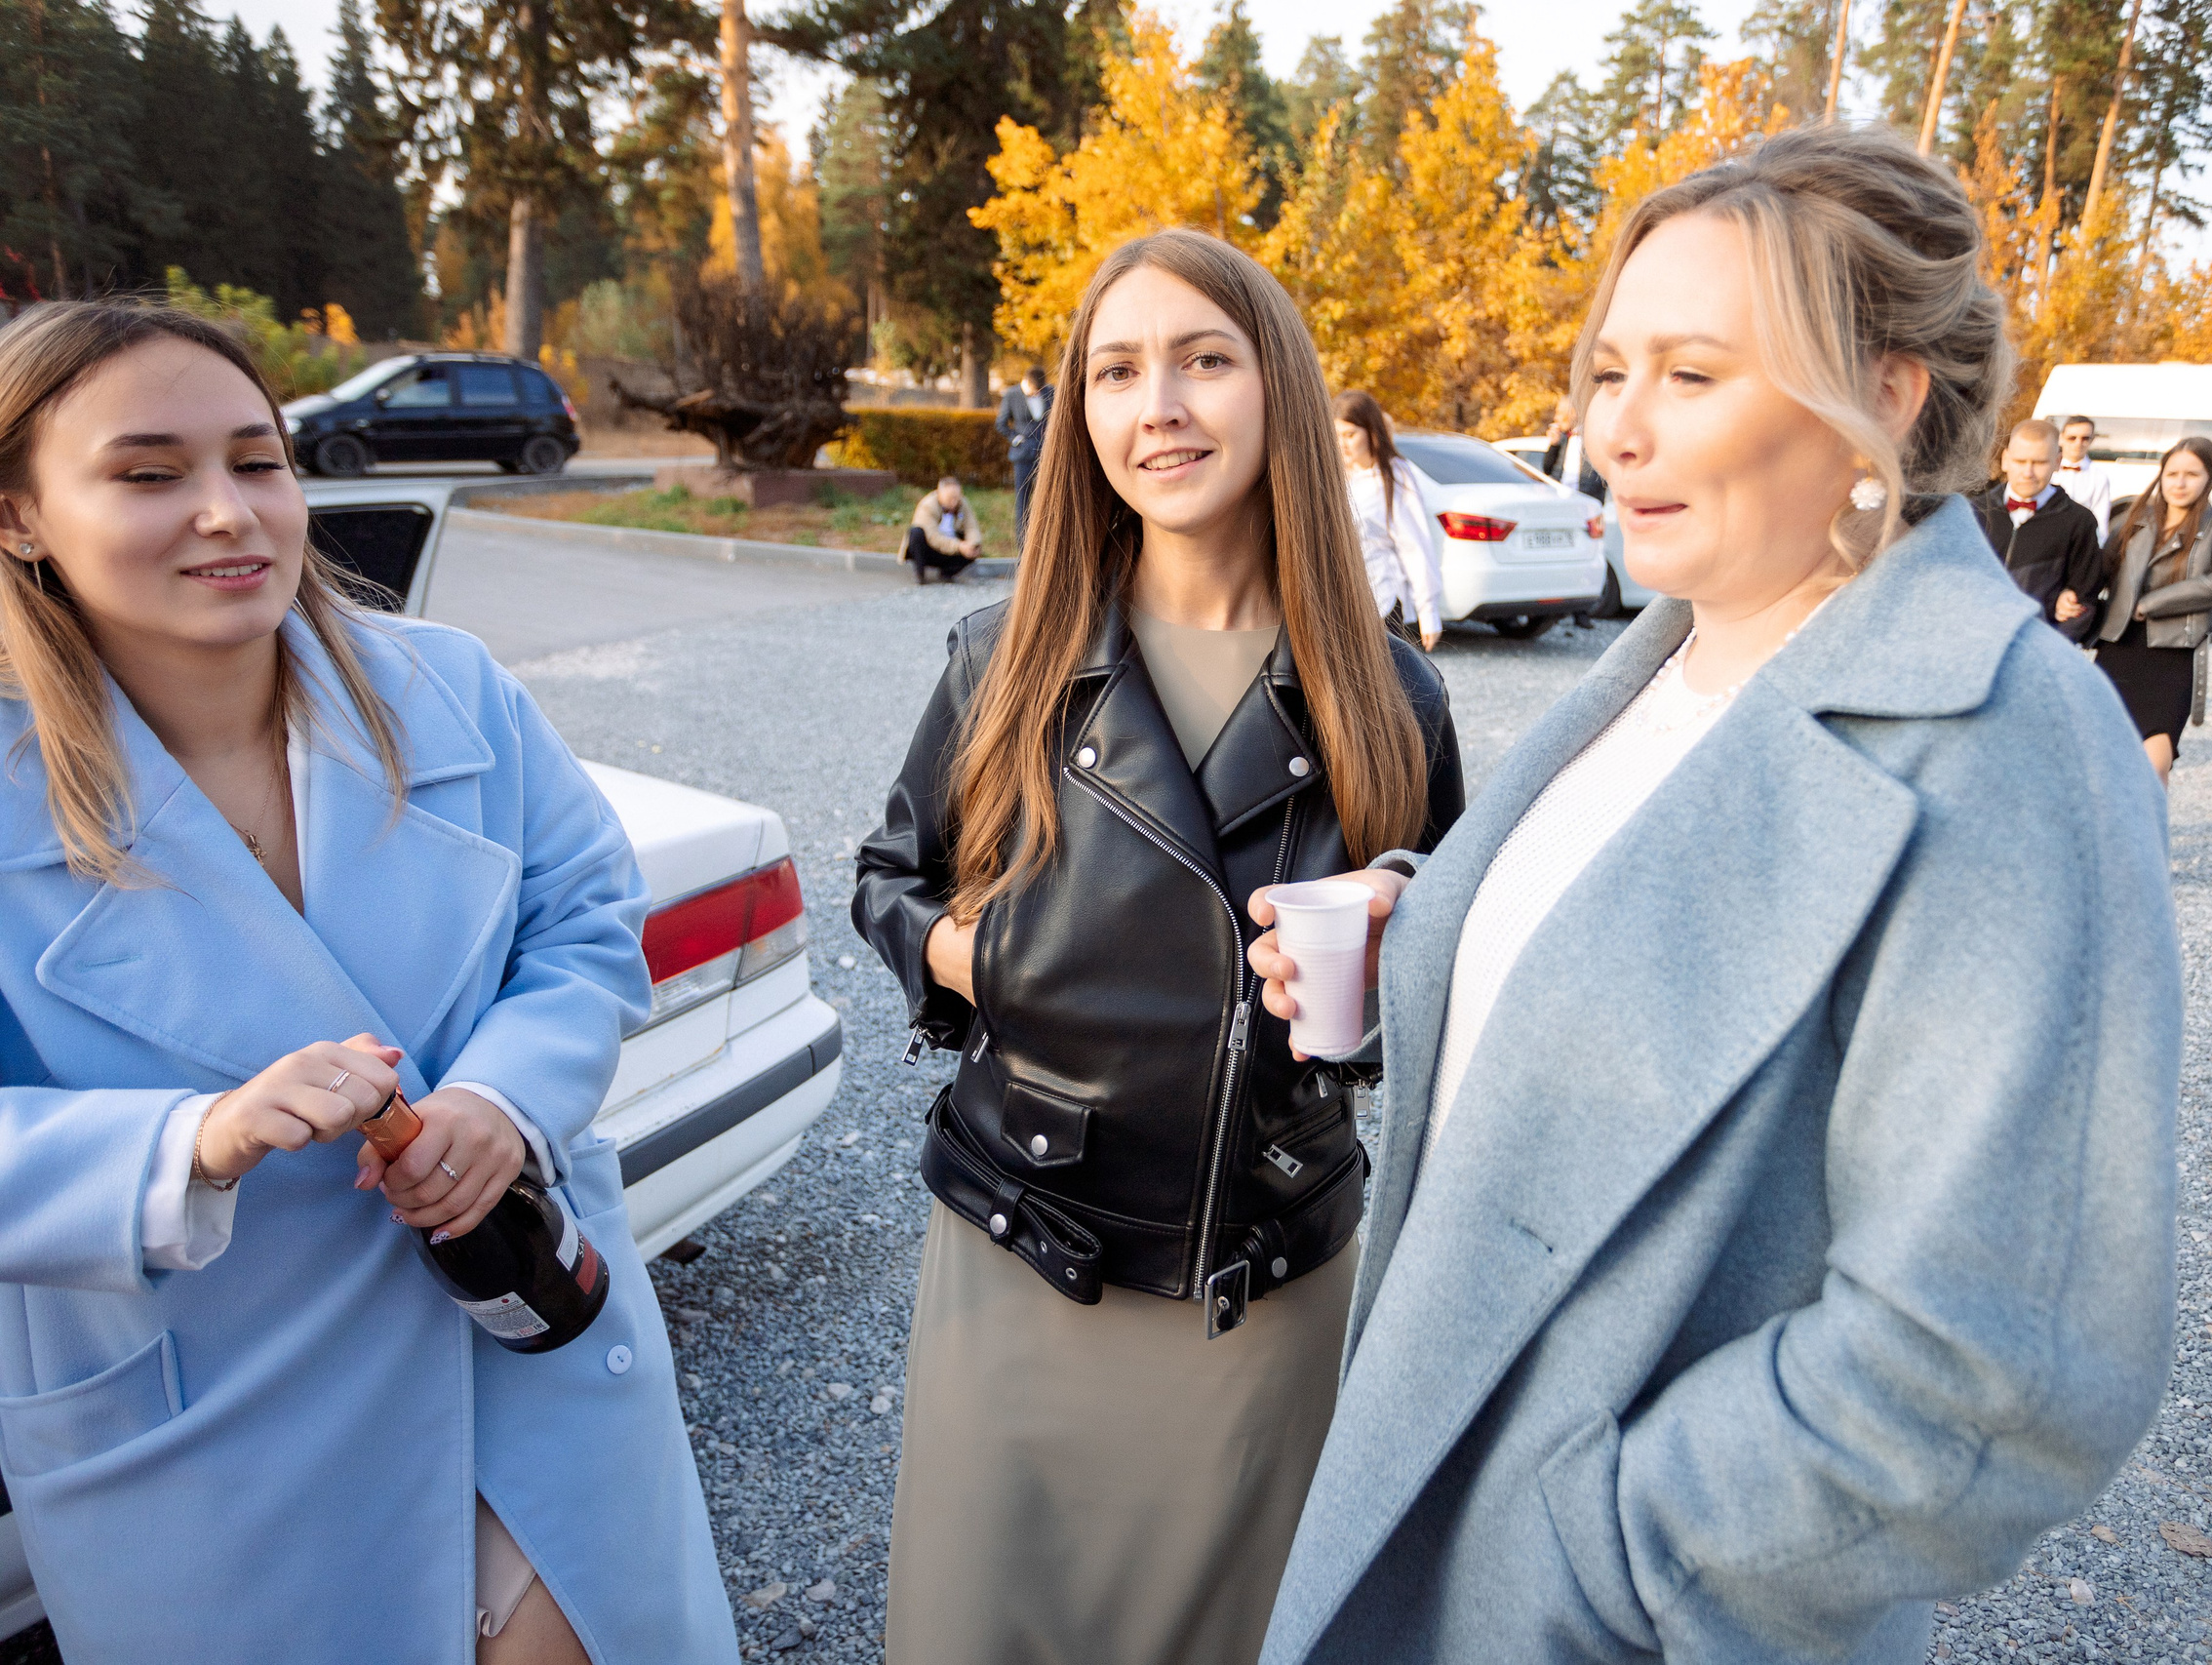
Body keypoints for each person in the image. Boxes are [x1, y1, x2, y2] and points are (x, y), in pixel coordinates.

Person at [1248, 123, 2180, 1665]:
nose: (1617, 429)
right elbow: (1664, 961)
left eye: (1692, 374)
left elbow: (2005, 1372)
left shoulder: (2012, 739)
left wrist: (1604, 1550)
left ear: (1883, 398)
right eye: (1612, 372)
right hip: (1444, 1509)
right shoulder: (1674, 649)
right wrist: (1440, 935)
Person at [0, 302, 732, 1663]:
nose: (228, 512)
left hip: (524, 1343)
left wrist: (505, 1101)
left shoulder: (449, 687)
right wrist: (187, 1143)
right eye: (150, 473)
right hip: (218, 1424)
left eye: (257, 460)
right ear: (20, 515)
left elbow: (582, 920)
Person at [852, 229, 1466, 1665]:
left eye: (1203, 359)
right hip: (1022, 1251)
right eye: (1116, 372)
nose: (1158, 405)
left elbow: (1441, 970)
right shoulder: (1002, 655)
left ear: (1277, 390)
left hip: (1258, 1279)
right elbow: (890, 874)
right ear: (1082, 417)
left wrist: (1381, 973)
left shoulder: (1392, 694)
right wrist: (966, 956)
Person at [2090, 434, 2212, 787]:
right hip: (2118, 648)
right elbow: (2096, 572)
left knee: (2154, 766)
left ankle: (2148, 840)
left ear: (2210, 478)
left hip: (2173, 655)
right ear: (2161, 475)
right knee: (2103, 761)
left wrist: (2153, 604)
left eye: (2191, 474)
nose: (2179, 483)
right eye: (2172, 473)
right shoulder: (2131, 518)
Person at [1334, 390, 1443, 651]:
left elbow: (1415, 545)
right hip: (1342, 607)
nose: (1343, 444)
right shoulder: (1338, 478)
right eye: (1336, 436)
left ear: (1371, 432)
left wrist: (1428, 612)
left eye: (1350, 435)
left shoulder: (1393, 476)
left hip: (1382, 604)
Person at [1971, 416, 2099, 640]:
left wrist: (2054, 650)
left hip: (2035, 644)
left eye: (2039, 463)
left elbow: (2084, 599)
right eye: (2020, 461)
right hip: (1974, 638)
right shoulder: (1975, 512)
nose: (2028, 472)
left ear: (2057, 462)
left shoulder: (2078, 521)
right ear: (2005, 460)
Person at [996, 365, 1053, 540]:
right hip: (1022, 456)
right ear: (1026, 382)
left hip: (1047, 455)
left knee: (1049, 501)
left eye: (1039, 391)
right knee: (1023, 503)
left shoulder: (1051, 392)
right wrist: (1016, 438)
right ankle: (1023, 551)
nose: (1037, 394)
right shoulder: (1012, 395)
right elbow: (1001, 423)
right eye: (1034, 390)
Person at [903, 475, 981, 582]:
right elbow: (933, 537)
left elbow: (972, 527)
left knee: (974, 546)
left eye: (956, 498)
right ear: (939, 493)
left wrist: (972, 544)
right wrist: (959, 546)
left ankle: (947, 573)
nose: (954, 502)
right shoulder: (927, 506)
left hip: (951, 547)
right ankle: (920, 574)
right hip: (930, 549)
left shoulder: (963, 504)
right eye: (950, 498)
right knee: (916, 532)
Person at [2054, 413, 2113, 539]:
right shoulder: (2047, 470)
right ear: (2061, 438)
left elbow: (2101, 521)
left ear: (2092, 440)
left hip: (2080, 541)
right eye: (2072, 438)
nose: (2078, 443)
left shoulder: (2099, 477)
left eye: (2085, 438)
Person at [1539, 396, 1607, 502]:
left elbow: (1605, 474)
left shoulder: (1594, 438)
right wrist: (1553, 446)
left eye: (1560, 413)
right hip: (1560, 501)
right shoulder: (1562, 439)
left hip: (1585, 502)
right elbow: (1547, 469)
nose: (1556, 418)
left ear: (1574, 413)